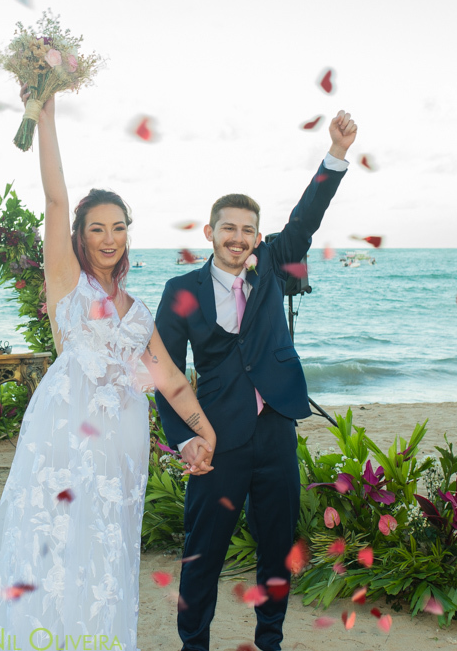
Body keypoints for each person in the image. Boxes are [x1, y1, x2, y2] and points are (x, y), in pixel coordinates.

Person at [0, 88, 216, 651]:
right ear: (81, 236)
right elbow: (56, 201)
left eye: (119, 228)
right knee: (50, 545)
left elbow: (171, 381)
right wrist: (48, 114)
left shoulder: (138, 311)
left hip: (120, 451)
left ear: (129, 233)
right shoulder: (66, 284)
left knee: (105, 557)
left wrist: (204, 430)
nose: (109, 238)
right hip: (64, 436)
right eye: (97, 228)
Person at [153, 110, 358, 651]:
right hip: (216, 437)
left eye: (247, 230)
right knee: (204, 551)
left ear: (257, 237)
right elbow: (165, 373)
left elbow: (307, 217)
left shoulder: (273, 264)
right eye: (228, 228)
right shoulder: (181, 290)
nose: (238, 238)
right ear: (210, 233)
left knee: (276, 550)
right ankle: (192, 644)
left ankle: (271, 641)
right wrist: (185, 437)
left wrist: (334, 155)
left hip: (274, 435)